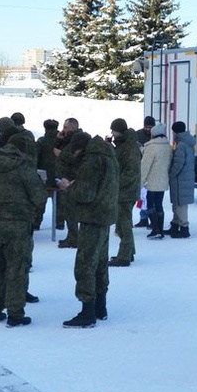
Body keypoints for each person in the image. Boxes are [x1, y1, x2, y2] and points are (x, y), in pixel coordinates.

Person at [0, 133, 47, 326]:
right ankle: (15, 314)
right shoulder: (23, 169)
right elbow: (39, 197)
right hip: (19, 225)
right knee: (17, 269)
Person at [62, 132, 119, 327]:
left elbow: (85, 194)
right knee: (100, 262)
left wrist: (68, 187)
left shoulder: (91, 161)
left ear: (81, 148)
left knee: (85, 263)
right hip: (104, 216)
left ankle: (87, 312)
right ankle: (100, 307)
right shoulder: (108, 155)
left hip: (92, 217)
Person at [108, 117, 142, 266]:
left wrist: (116, 183)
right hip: (124, 191)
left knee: (124, 224)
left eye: (114, 130)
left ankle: (124, 256)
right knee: (123, 223)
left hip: (125, 192)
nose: (112, 133)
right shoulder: (123, 145)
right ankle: (129, 252)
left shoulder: (129, 147)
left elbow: (131, 171)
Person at [140, 122, 171, 239]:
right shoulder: (167, 147)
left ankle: (155, 229)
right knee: (159, 204)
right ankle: (160, 229)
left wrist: (140, 182)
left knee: (149, 205)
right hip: (162, 180)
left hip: (151, 182)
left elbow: (145, 166)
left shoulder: (151, 148)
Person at [55, 118, 83, 247]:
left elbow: (76, 159)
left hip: (72, 178)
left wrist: (61, 154)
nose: (63, 129)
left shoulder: (78, 140)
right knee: (67, 209)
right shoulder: (67, 140)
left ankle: (74, 237)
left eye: (66, 127)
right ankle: (72, 235)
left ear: (72, 128)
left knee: (71, 209)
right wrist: (59, 140)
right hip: (65, 178)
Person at [168, 121, 196, 238]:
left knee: (180, 204)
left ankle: (184, 228)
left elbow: (178, 163)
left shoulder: (181, 145)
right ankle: (175, 224)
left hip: (180, 180)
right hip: (186, 178)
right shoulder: (188, 142)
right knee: (178, 203)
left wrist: (171, 174)